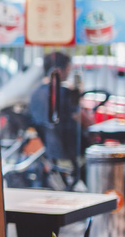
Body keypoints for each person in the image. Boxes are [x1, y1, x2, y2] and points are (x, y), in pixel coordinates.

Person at [27, 51, 92, 184]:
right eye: (68, 69)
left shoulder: (35, 94)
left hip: (51, 153)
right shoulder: (65, 93)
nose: (68, 74)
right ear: (57, 71)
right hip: (73, 153)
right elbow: (87, 122)